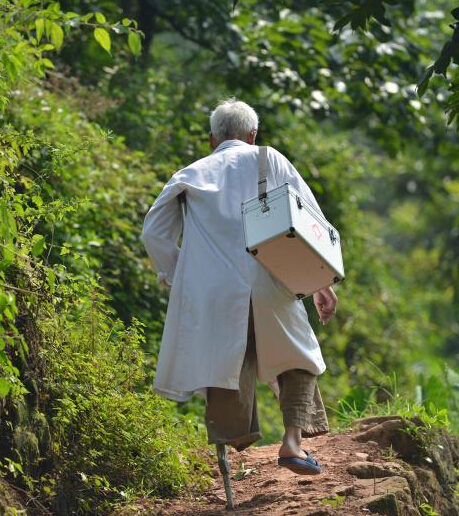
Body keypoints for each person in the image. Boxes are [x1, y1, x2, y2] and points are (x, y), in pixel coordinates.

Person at [141, 98, 338, 474]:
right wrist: (320, 281)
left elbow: (154, 233)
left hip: (212, 290)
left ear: (212, 140)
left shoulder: (190, 174)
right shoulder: (269, 159)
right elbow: (310, 219)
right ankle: (292, 444)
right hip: (271, 278)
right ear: (252, 135)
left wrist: (180, 275)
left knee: (225, 361)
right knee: (300, 357)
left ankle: (236, 444)